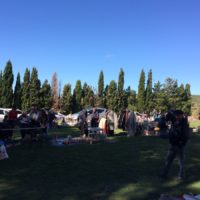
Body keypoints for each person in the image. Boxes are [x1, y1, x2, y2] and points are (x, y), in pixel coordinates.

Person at [160, 110, 189, 180]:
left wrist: (181, 142)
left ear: (180, 115)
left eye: (177, 115)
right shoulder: (175, 120)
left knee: (181, 162)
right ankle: (164, 174)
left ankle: (181, 176)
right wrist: (169, 112)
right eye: (175, 115)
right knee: (168, 160)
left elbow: (185, 135)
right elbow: (167, 118)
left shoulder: (183, 123)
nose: (175, 116)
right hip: (173, 144)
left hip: (180, 145)